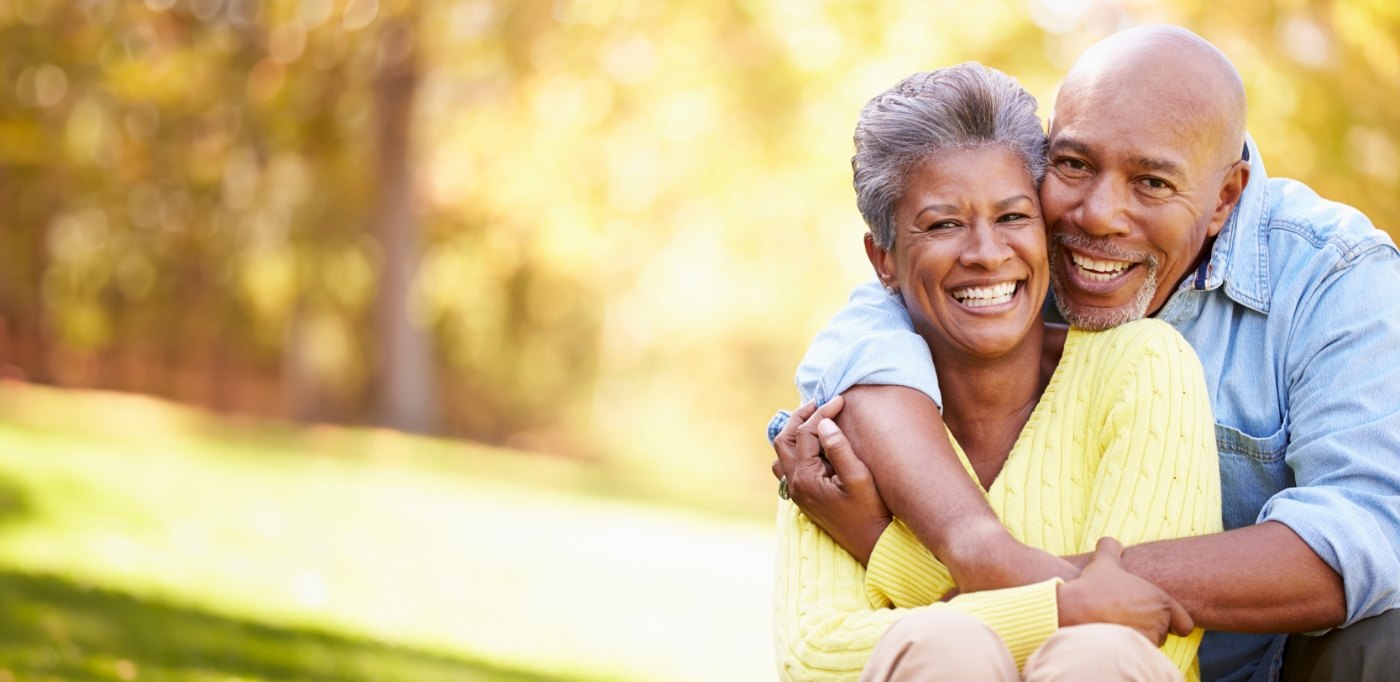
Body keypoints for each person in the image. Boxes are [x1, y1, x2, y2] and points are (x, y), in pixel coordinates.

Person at [774, 25, 1400, 682]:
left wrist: (927, 555)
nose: (1098, 215)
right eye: (1073, 164)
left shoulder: (1334, 275)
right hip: (1006, 658)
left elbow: (1368, 532)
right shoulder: (1007, 243)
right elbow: (866, 339)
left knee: (1387, 634)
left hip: (1248, 662)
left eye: (1152, 182)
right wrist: (994, 561)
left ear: (1224, 198)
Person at [771, 62, 1222, 681]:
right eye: (944, 224)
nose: (986, 254)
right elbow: (818, 656)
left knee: (1093, 653)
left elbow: (1141, 642)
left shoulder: (1142, 366)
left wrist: (881, 543)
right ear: (884, 259)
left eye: (1013, 217)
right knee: (940, 650)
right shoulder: (842, 422)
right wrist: (1063, 607)